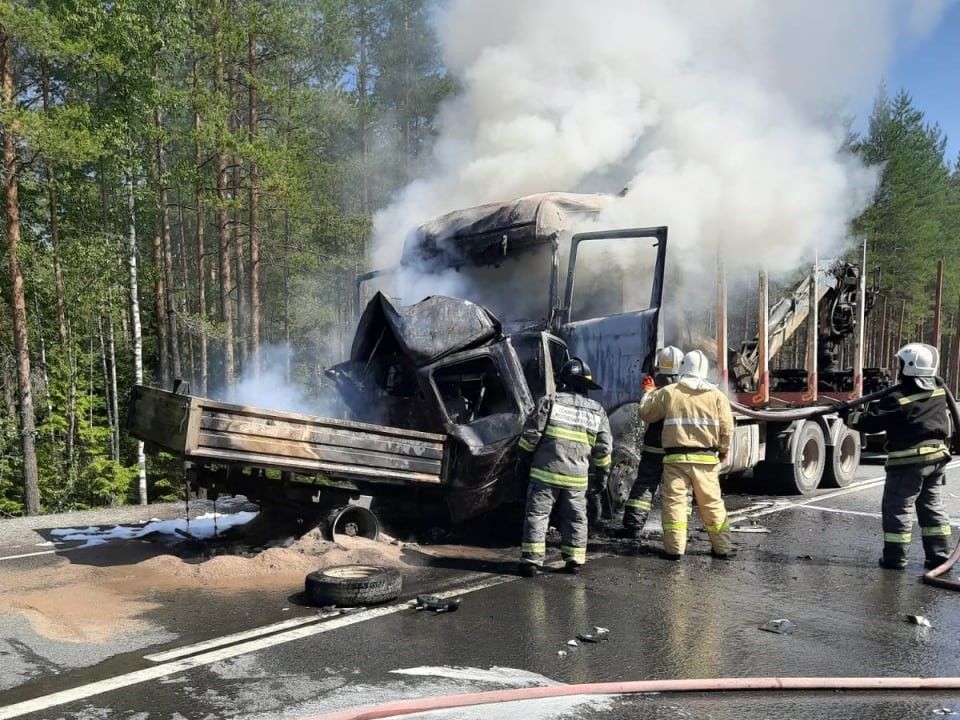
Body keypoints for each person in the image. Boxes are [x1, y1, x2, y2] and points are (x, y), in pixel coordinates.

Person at [842, 343, 952, 570]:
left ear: (908, 367)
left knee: (898, 508)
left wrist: (848, 416)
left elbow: (871, 423)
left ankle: (895, 558)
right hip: (937, 459)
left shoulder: (897, 398)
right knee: (932, 507)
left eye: (900, 364)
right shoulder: (939, 390)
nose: (898, 368)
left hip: (909, 463)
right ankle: (940, 556)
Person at [517, 357, 612, 576]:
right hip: (577, 479)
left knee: (537, 515)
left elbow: (531, 436)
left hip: (545, 473)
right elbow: (604, 449)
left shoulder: (550, 402)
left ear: (563, 382)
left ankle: (531, 561)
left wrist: (522, 459)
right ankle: (575, 559)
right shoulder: (597, 411)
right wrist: (602, 475)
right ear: (586, 386)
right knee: (576, 518)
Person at [638, 350, 734, 560]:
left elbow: (646, 413)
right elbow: (727, 429)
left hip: (676, 460)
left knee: (675, 504)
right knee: (712, 504)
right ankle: (722, 548)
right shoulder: (717, 396)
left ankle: (674, 550)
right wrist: (723, 450)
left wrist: (648, 392)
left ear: (683, 367)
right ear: (705, 371)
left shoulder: (669, 392)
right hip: (706, 461)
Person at [619, 346, 683, 540]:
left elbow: (646, 412)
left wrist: (648, 392)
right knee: (679, 489)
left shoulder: (659, 389)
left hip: (654, 446)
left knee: (645, 484)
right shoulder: (685, 389)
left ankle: (633, 525)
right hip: (677, 446)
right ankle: (680, 529)